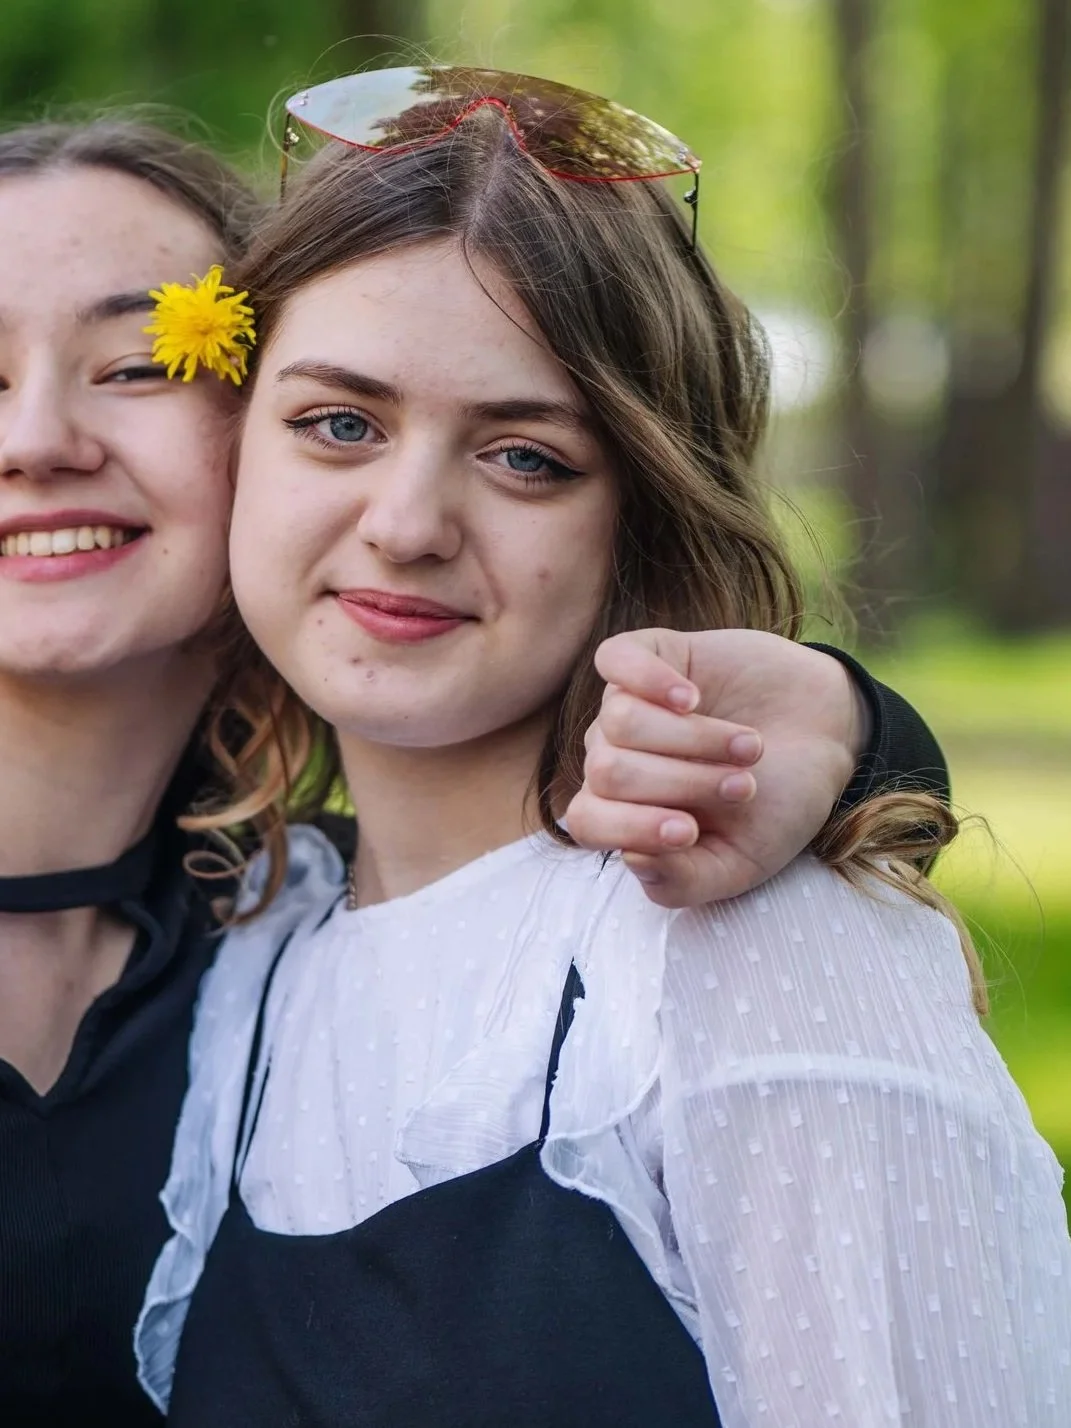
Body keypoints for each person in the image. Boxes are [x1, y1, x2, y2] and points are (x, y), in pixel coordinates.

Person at [133, 70, 1070, 1428]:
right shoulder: (258, 956)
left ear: (639, 514)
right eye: (339, 423)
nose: (405, 522)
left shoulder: (744, 955)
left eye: (524, 458)